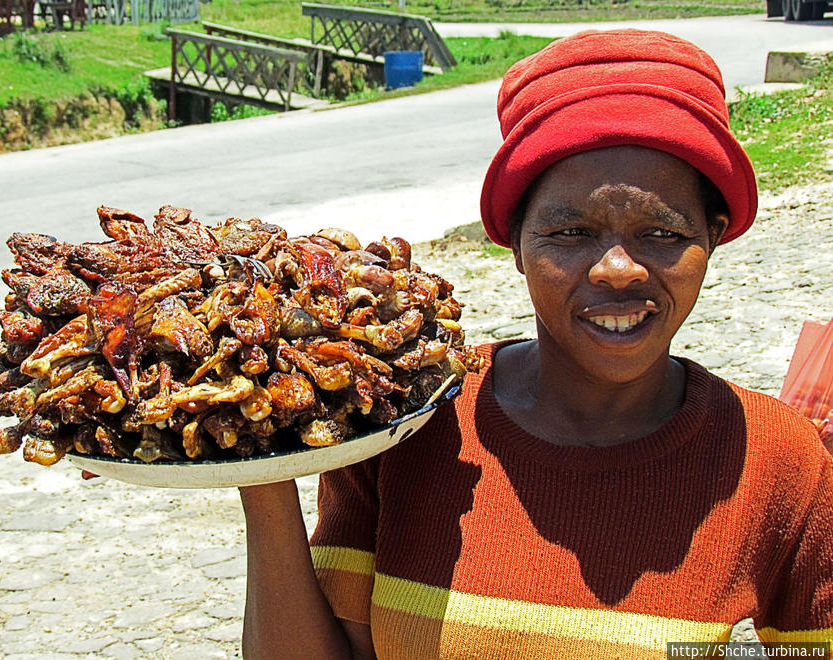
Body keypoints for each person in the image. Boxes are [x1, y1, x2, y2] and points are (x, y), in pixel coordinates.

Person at [238, 30, 833, 658]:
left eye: (662, 231)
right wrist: (263, 476)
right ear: (516, 242)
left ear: (711, 239)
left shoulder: (778, 459)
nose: (618, 269)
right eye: (571, 232)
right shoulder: (407, 423)